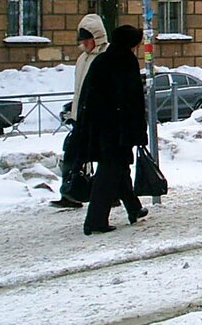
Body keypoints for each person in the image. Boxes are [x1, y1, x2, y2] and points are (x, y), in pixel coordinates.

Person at [77, 24, 149, 234]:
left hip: (100, 127)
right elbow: (131, 101)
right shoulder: (125, 61)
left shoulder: (102, 60)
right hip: (117, 128)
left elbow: (88, 95)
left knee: (119, 168)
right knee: (109, 172)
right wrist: (137, 131)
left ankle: (134, 208)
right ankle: (95, 220)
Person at [51, 14, 109, 209]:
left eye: (87, 39)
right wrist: (74, 109)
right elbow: (79, 88)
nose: (84, 43)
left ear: (97, 37)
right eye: (82, 40)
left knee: (105, 159)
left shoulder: (106, 56)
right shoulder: (82, 59)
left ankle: (111, 194)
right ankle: (70, 192)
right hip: (81, 117)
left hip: (98, 118)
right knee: (73, 154)